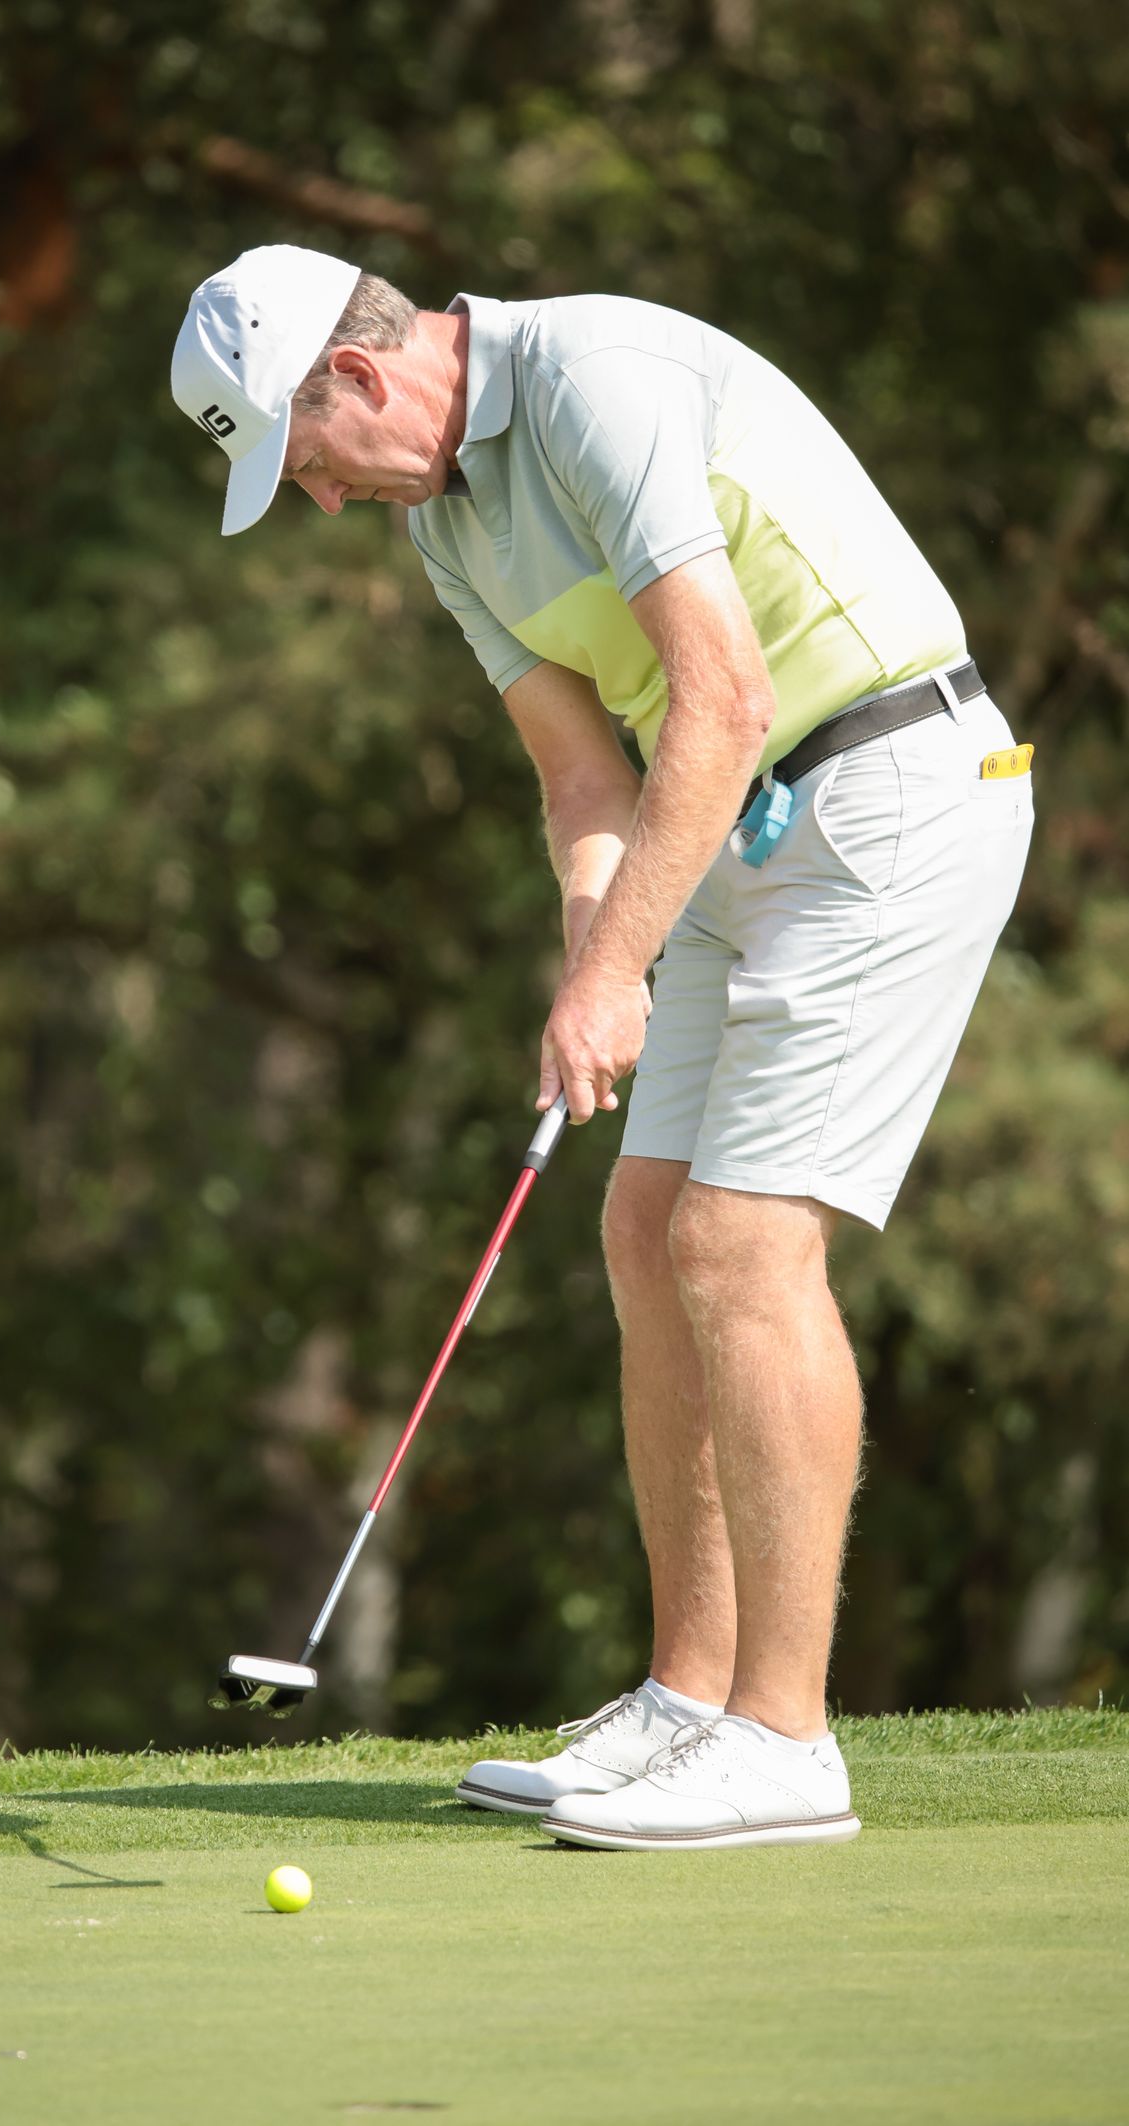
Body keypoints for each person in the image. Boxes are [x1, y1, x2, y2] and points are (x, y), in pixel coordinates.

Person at [171, 244, 1034, 1850]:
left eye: (305, 460)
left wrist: (619, 963)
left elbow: (721, 692)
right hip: (724, 828)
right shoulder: (446, 526)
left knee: (739, 1243)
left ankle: (784, 1740)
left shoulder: (589, 378)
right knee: (645, 1228)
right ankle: (690, 1701)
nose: (322, 501)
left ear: (355, 374)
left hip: (889, 786)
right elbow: (585, 778)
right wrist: (591, 962)